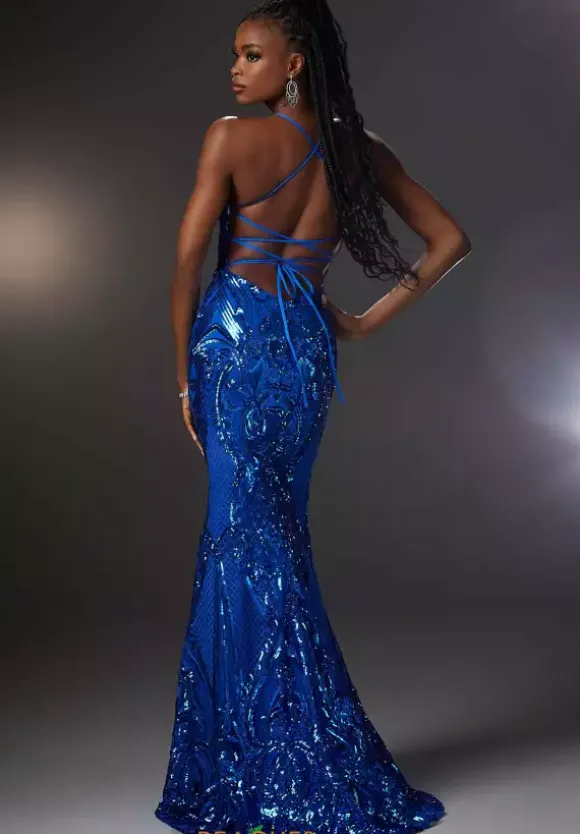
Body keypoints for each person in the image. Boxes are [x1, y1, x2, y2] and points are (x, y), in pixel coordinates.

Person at [155, 1, 470, 832]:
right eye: (236, 54)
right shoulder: (360, 151)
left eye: (251, 54)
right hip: (304, 355)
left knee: (242, 544)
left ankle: (268, 765)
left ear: (293, 63)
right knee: (276, 540)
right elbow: (449, 239)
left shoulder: (230, 138)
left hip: (234, 347)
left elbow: (188, 260)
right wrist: (358, 323)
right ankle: (285, 751)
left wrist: (184, 378)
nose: (235, 69)